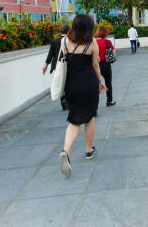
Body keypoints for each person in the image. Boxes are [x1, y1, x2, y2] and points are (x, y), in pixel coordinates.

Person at [58, 14, 107, 176]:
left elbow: (63, 61)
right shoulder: (92, 44)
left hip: (71, 86)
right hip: (89, 84)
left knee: (74, 120)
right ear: (88, 28)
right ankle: (88, 149)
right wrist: (100, 82)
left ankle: (66, 150)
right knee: (89, 117)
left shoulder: (64, 42)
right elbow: (95, 66)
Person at [95, 26, 116, 107]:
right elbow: (113, 50)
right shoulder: (108, 42)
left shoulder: (94, 42)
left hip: (97, 65)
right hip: (106, 65)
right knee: (108, 83)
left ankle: (95, 105)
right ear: (105, 33)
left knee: (96, 85)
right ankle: (109, 101)